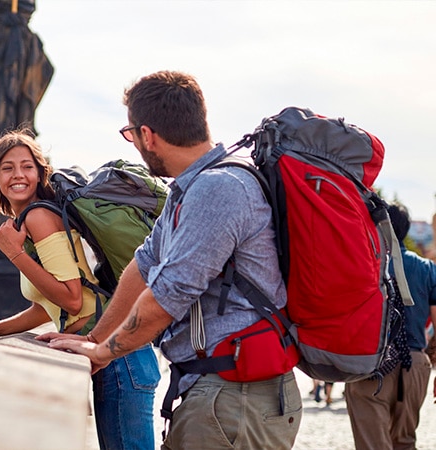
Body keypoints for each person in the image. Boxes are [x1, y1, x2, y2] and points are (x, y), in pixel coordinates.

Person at [45, 70, 302, 449]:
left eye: (131, 135)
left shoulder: (218, 188)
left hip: (236, 397)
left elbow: (169, 294)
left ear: (147, 135)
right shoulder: (191, 188)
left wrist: (103, 351)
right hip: (219, 393)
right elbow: (143, 265)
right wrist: (95, 342)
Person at [0, 129, 159, 450]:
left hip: (119, 359)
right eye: (7, 168)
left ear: (39, 173)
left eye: (27, 166)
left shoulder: (38, 218)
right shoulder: (36, 218)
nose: (18, 175)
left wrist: (15, 254)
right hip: (118, 355)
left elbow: (72, 299)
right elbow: (50, 305)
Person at [344, 202, 436, 450]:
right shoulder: (428, 269)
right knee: (405, 443)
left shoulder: (362, 262)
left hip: (370, 365)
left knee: (372, 445)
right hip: (415, 364)